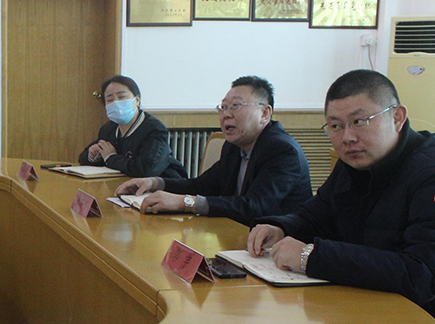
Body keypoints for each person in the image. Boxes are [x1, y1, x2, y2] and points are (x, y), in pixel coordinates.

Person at [248, 69, 435, 322]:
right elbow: (316, 214)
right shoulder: (352, 164)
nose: (347, 137)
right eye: (336, 126)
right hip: (359, 309)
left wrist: (311, 257)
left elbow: (423, 275)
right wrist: (281, 227)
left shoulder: (431, 172)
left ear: (397, 117)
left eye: (359, 121)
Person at [113, 75, 311, 227]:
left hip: (276, 246)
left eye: (236, 106)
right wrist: (154, 183)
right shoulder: (233, 146)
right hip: (237, 234)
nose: (226, 115)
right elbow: (203, 185)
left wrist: (185, 203)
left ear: (265, 113)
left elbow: (255, 206)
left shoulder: (282, 150)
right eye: (223, 107)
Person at [78, 75, 187, 178]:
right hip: (123, 184)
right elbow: (83, 158)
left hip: (164, 185)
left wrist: (111, 158)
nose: (116, 102)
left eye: (121, 97)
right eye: (110, 100)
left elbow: (145, 170)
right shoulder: (108, 129)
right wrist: (92, 156)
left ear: (137, 100)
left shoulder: (154, 129)